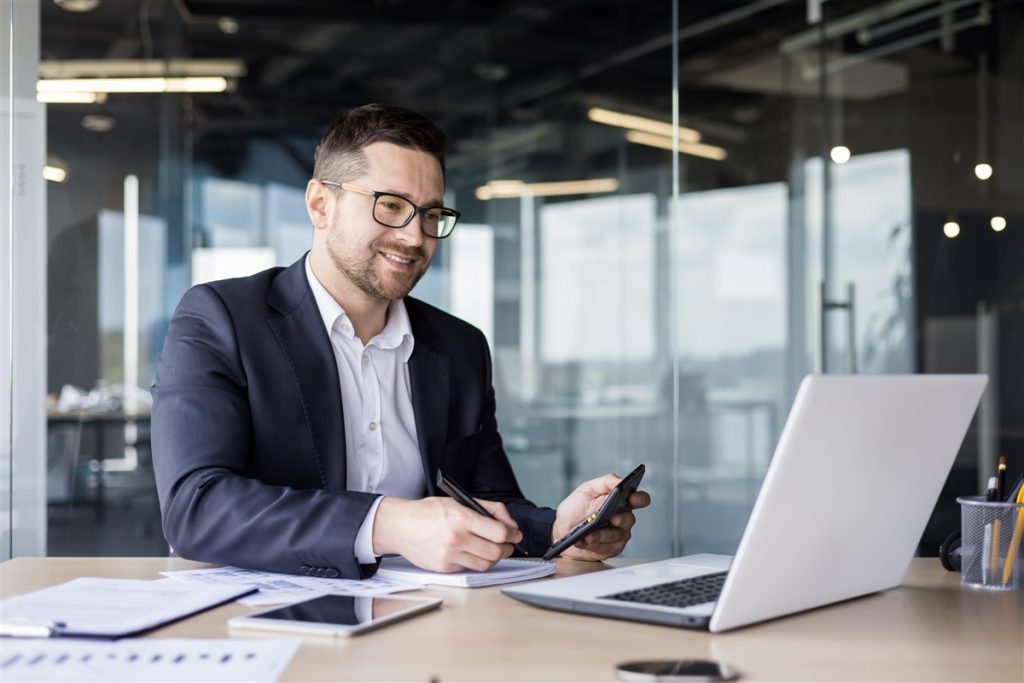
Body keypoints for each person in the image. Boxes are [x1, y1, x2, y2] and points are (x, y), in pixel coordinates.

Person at [152, 103, 650, 580]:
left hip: (423, 622)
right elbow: (198, 507)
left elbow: (485, 503)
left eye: (431, 215)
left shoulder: (460, 347)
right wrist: (392, 523)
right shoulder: (222, 319)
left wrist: (559, 529)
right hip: (261, 623)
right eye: (391, 206)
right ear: (320, 204)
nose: (415, 237)